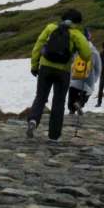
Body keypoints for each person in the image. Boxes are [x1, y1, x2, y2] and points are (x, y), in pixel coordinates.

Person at [27, 9, 91, 141]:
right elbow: (86, 55)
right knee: (59, 102)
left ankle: (33, 120)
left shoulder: (50, 28)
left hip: (45, 68)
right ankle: (54, 135)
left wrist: (34, 65)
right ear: (77, 22)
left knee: (40, 97)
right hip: (63, 71)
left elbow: (38, 46)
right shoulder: (76, 34)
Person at [68, 29, 102, 114]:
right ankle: (79, 103)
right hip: (88, 78)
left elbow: (72, 62)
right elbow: (98, 67)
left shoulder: (76, 49)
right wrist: (95, 79)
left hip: (75, 76)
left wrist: (70, 75)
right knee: (87, 92)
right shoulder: (94, 51)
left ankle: (71, 110)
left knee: (72, 93)